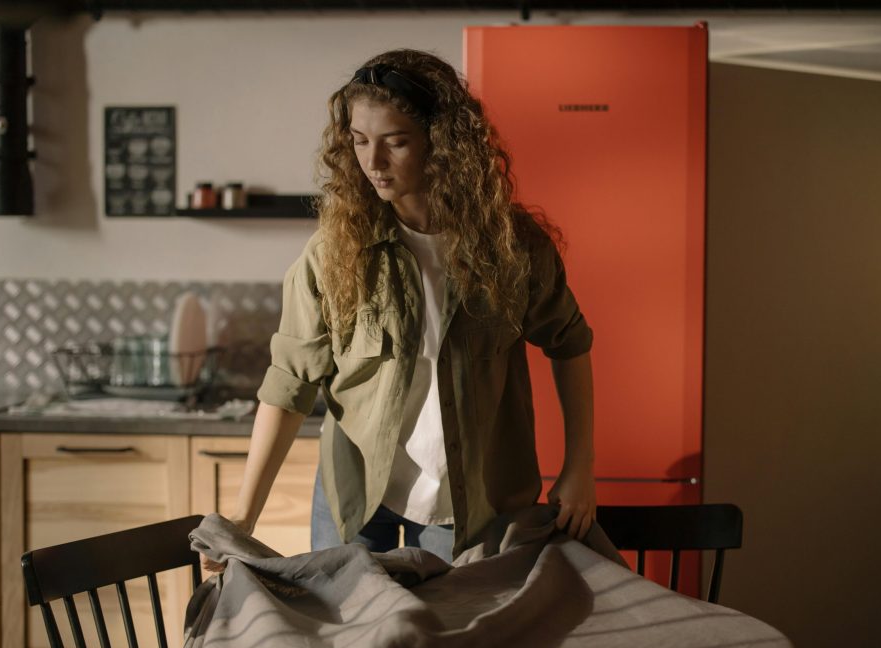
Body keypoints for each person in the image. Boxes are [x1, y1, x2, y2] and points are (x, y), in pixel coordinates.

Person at [202, 48, 595, 572]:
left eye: (396, 142)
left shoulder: (512, 246)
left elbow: (569, 344)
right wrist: (244, 517)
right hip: (358, 501)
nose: (373, 163)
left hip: (470, 504)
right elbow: (288, 385)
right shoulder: (334, 251)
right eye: (360, 142)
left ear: (442, 143)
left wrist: (580, 465)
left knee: (453, 645)